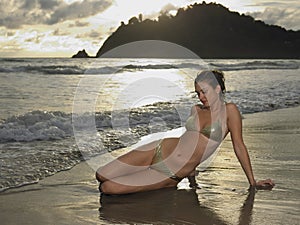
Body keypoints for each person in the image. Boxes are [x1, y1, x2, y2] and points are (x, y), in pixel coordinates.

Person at [96, 70, 275, 194]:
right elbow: (190, 141)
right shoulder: (196, 109)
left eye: (204, 92)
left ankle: (165, 185)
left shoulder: (229, 111)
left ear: (217, 89)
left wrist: (252, 182)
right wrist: (192, 174)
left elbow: (239, 146)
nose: (201, 97)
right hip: (159, 148)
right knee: (101, 174)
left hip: (170, 171)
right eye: (197, 93)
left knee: (108, 188)